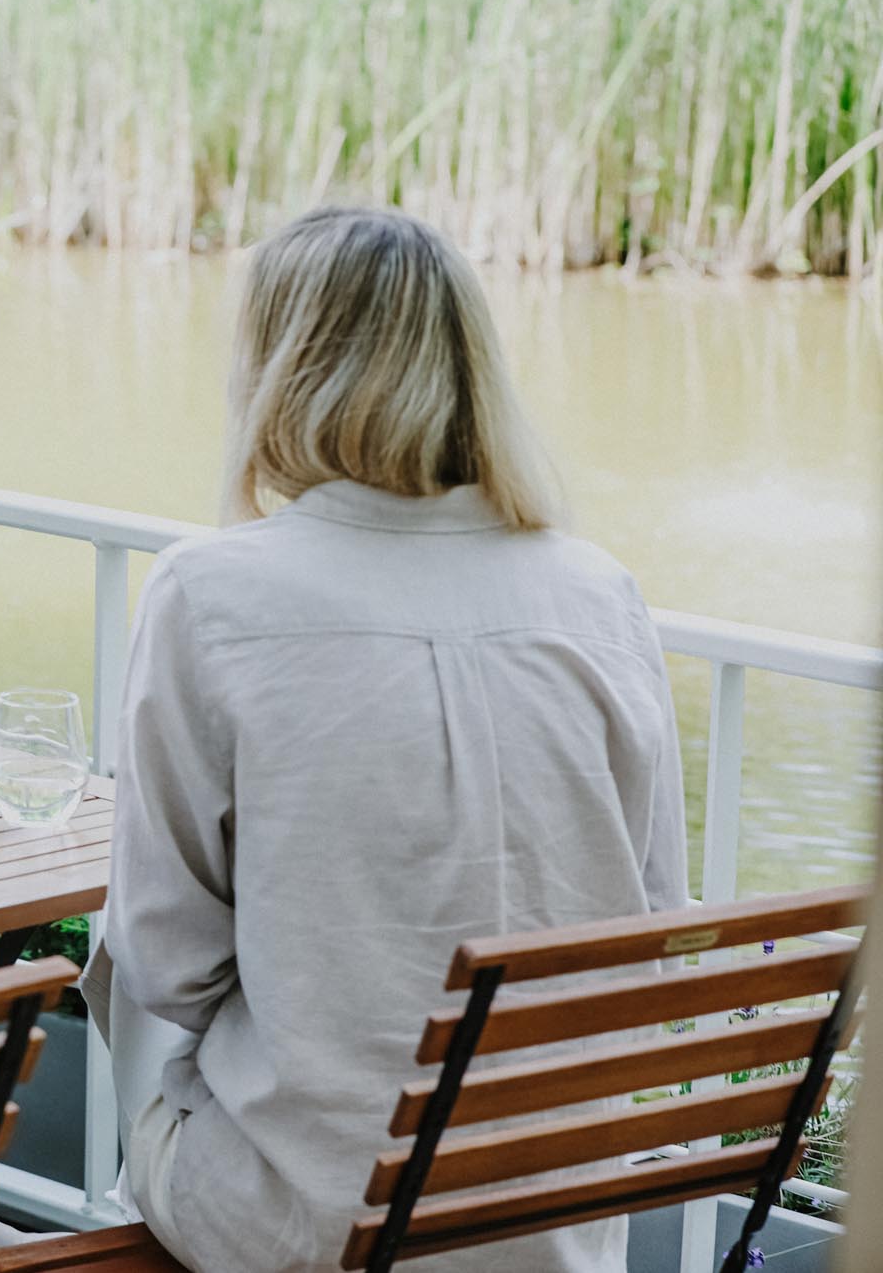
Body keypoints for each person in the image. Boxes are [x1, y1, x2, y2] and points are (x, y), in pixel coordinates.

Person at [92, 207, 688, 1272]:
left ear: (276, 369)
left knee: (120, 995)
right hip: (549, 1229)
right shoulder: (598, 592)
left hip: (315, 1224)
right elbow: (645, 917)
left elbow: (164, 963)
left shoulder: (209, 592)